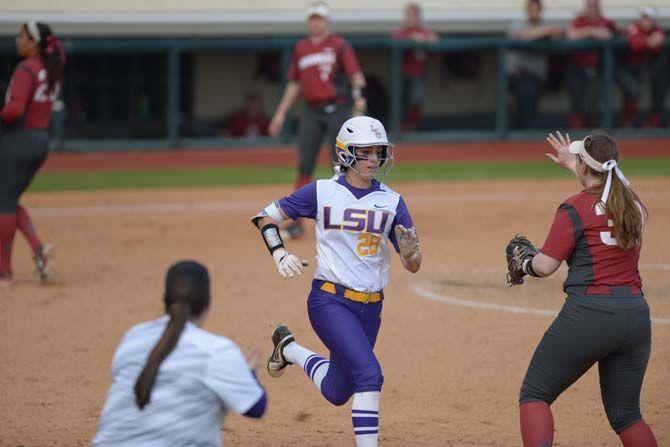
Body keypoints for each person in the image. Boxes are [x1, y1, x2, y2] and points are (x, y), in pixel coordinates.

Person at [251, 116, 421, 447]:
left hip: (371, 308)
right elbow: (265, 217)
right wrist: (279, 253)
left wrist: (412, 255)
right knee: (370, 375)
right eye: (366, 152)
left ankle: (289, 349)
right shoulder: (322, 191)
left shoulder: (392, 202)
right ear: (346, 153)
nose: (374, 159)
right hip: (329, 301)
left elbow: (412, 264)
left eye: (378, 152)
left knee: (337, 390)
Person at [507, 131, 657, 446]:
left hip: (591, 314)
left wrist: (524, 264)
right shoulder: (634, 204)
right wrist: (576, 166)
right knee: (627, 415)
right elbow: (608, 192)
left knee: (535, 394)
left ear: (585, 166)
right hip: (636, 316)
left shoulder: (574, 208)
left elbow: (546, 266)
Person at [93, 260, 267, 446]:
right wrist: (250, 373)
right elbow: (256, 408)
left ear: (165, 300)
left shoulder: (133, 337)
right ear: (209, 304)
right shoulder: (215, 351)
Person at [268, 1, 367, 240]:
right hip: (311, 111)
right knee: (304, 165)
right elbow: (294, 83)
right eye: (312, 18)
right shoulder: (301, 48)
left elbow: (356, 77)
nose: (315, 22)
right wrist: (281, 113)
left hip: (338, 109)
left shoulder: (339, 45)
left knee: (344, 165)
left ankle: (353, 218)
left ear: (327, 21)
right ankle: (296, 224)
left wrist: (359, 102)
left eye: (319, 18)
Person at [0, 21, 64, 287]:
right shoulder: (50, 69)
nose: (18, 41)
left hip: (18, 139)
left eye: (22, 37)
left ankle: (4, 273)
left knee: (4, 202)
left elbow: (14, 110)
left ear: (34, 43)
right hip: (40, 140)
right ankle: (39, 252)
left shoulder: (25, 69)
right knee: (9, 198)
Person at [506, 0, 563, 129]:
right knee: (524, 95)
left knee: (532, 104)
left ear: (541, 11)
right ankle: (519, 131)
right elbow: (522, 35)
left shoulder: (546, 25)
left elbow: (559, 32)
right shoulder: (519, 24)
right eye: (532, 10)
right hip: (518, 72)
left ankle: (524, 131)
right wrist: (544, 32)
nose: (534, 13)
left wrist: (546, 32)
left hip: (537, 75)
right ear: (527, 11)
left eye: (536, 10)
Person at [565, 0, 617, 129]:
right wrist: (590, 30)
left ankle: (588, 125)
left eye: (594, 5)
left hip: (598, 68)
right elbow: (570, 35)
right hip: (577, 66)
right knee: (576, 97)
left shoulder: (605, 21)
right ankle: (577, 127)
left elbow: (608, 34)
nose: (591, 8)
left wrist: (590, 31)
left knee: (592, 100)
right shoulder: (579, 20)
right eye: (589, 5)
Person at [391, 3, 438, 132]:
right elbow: (394, 37)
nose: (412, 19)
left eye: (414, 16)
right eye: (409, 16)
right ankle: (400, 128)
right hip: (402, 74)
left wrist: (427, 38)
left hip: (418, 74)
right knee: (400, 103)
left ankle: (412, 127)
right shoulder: (401, 32)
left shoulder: (423, 32)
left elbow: (435, 39)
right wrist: (411, 38)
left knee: (417, 100)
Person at [617, 5, 667, 128]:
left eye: (649, 18)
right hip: (619, 67)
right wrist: (648, 41)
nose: (646, 20)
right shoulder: (633, 26)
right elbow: (635, 43)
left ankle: (631, 120)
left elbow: (659, 40)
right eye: (644, 17)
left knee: (637, 91)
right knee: (633, 90)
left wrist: (653, 39)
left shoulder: (655, 29)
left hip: (638, 68)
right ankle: (626, 120)